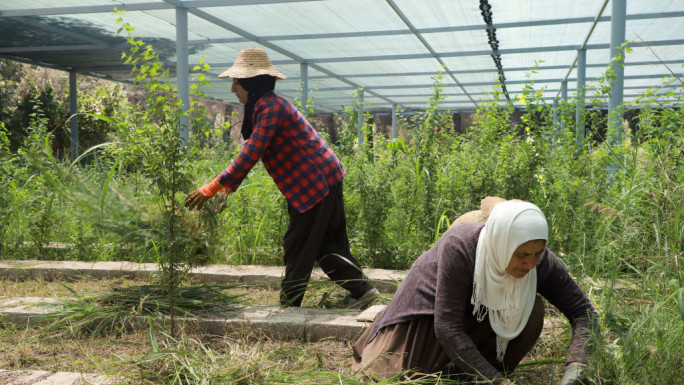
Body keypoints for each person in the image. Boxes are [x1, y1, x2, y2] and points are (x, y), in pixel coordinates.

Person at [184, 47, 378, 308]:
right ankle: (362, 291)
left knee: (297, 244)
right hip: (320, 178)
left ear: (250, 84)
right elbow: (255, 148)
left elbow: (253, 150)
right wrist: (229, 187)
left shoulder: (271, 107)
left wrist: (214, 185)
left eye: (236, 82)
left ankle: (290, 304)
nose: (232, 89)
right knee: (325, 243)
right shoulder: (263, 106)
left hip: (314, 182)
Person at [352, 201, 599, 385]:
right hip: (423, 324)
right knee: (396, 378)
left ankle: (473, 375)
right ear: (502, 244)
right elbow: (447, 326)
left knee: (532, 309)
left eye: (538, 253)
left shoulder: (540, 261)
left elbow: (584, 312)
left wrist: (576, 365)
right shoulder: (461, 247)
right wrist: (495, 381)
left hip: (472, 324)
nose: (530, 263)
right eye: (522, 254)